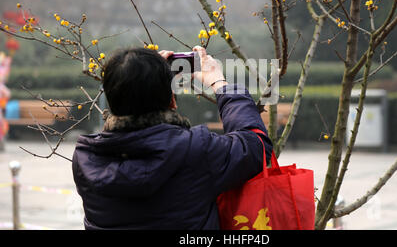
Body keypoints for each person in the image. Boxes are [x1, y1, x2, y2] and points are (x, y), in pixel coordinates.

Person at [72, 46, 272, 229]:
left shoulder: (86, 159)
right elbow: (256, 145)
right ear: (172, 101)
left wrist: (140, 72)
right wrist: (219, 83)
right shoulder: (196, 151)